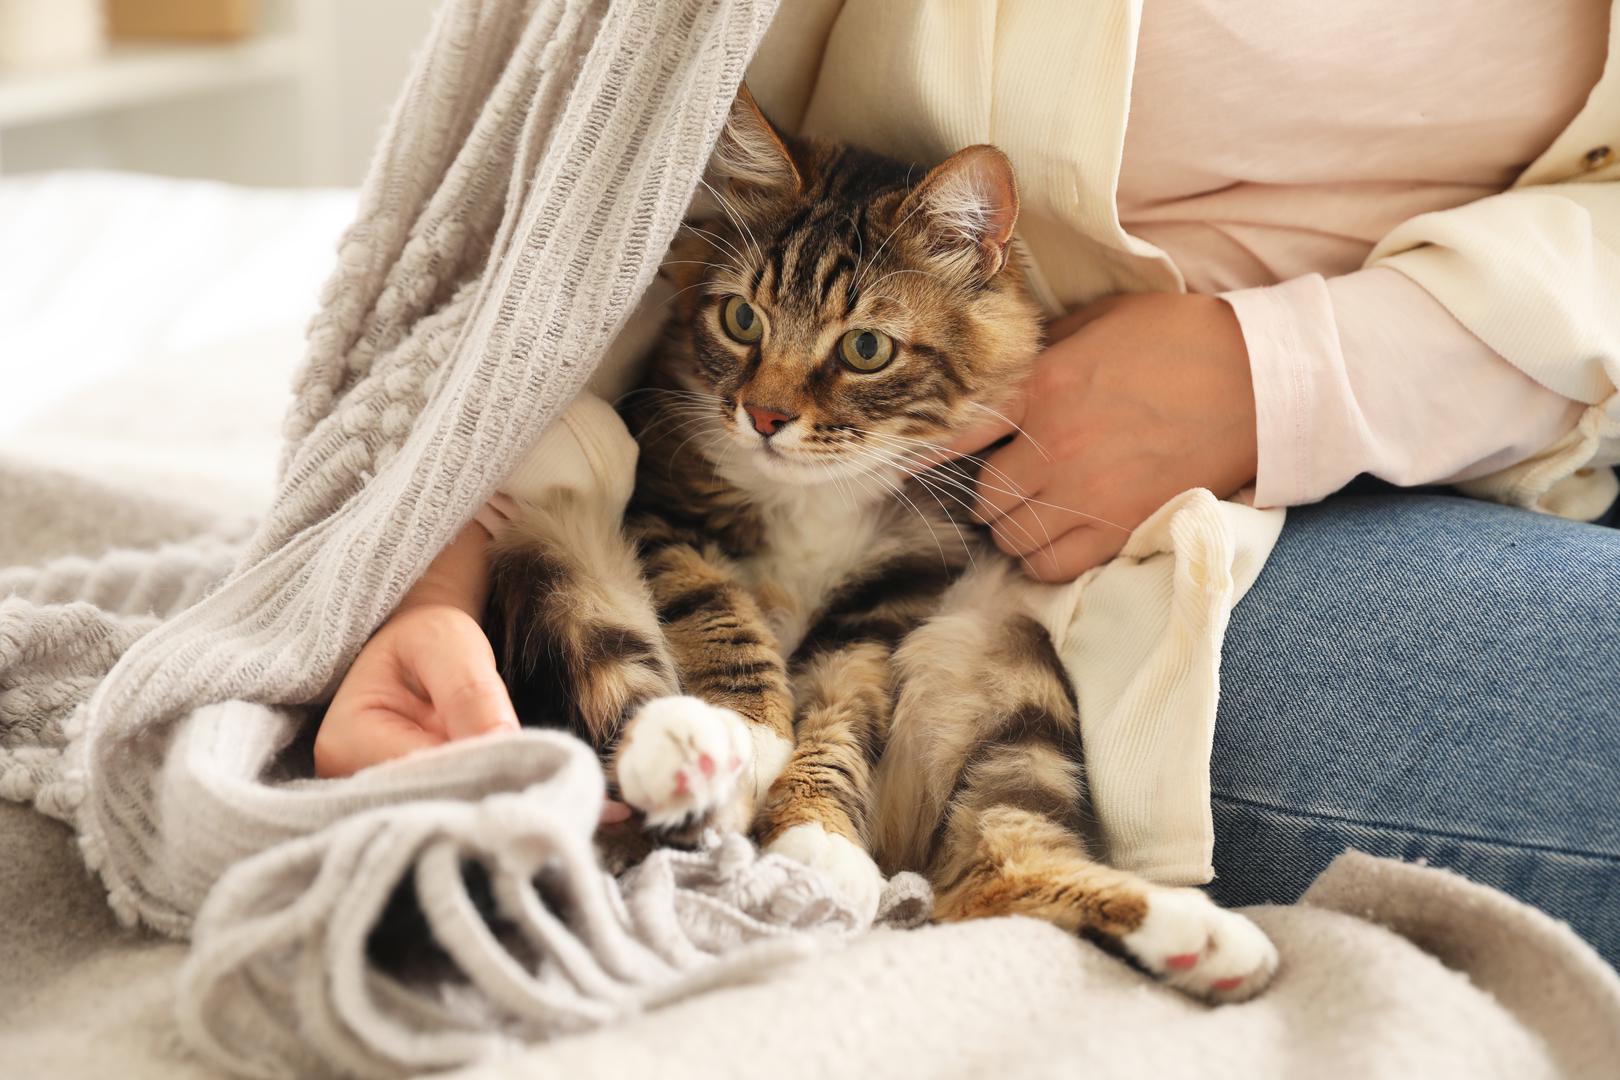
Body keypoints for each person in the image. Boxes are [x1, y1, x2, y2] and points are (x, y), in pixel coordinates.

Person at [316, 1, 1620, 964]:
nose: (775, 402)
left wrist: (1288, 373)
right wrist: (432, 558)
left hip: (1558, 432)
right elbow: (537, 216)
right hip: (1119, 545)